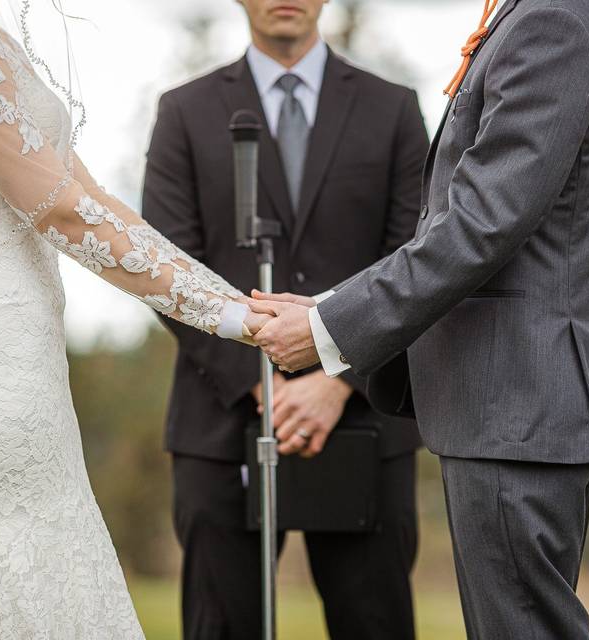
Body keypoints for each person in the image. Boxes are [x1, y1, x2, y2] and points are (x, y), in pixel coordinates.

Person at [249, 0, 589, 638]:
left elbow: (480, 224)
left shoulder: (556, 20)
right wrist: (331, 308)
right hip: (511, 407)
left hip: (516, 404)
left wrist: (331, 331)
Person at [0, 0, 267, 636]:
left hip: (19, 350)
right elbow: (64, 214)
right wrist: (229, 319)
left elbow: (97, 202)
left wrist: (233, 301)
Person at [143, 0, 428, 637]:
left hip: (364, 419)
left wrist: (337, 379)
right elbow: (166, 266)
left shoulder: (395, 110)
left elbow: (416, 262)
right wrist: (259, 383)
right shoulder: (184, 112)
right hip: (220, 425)